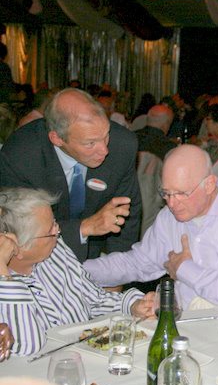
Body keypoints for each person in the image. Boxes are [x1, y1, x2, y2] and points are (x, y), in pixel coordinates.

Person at [83, 145, 218, 309]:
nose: (172, 203)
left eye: (182, 193)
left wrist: (184, 268)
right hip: (186, 327)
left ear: (209, 184)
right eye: (166, 193)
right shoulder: (169, 218)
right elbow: (136, 263)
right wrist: (76, 271)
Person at [0, 187, 154, 356]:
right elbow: (27, 347)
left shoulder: (55, 251)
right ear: (16, 246)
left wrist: (132, 304)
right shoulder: (4, 283)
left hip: (85, 358)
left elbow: (94, 299)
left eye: (55, 223)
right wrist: (5, 278)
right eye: (49, 232)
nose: (57, 231)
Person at [0, 88, 142, 262]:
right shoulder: (20, 156)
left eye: (106, 135)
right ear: (57, 139)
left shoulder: (123, 145)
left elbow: (127, 219)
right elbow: (21, 233)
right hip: (39, 259)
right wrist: (84, 228)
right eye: (90, 143)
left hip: (97, 254)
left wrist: (117, 269)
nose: (104, 150)